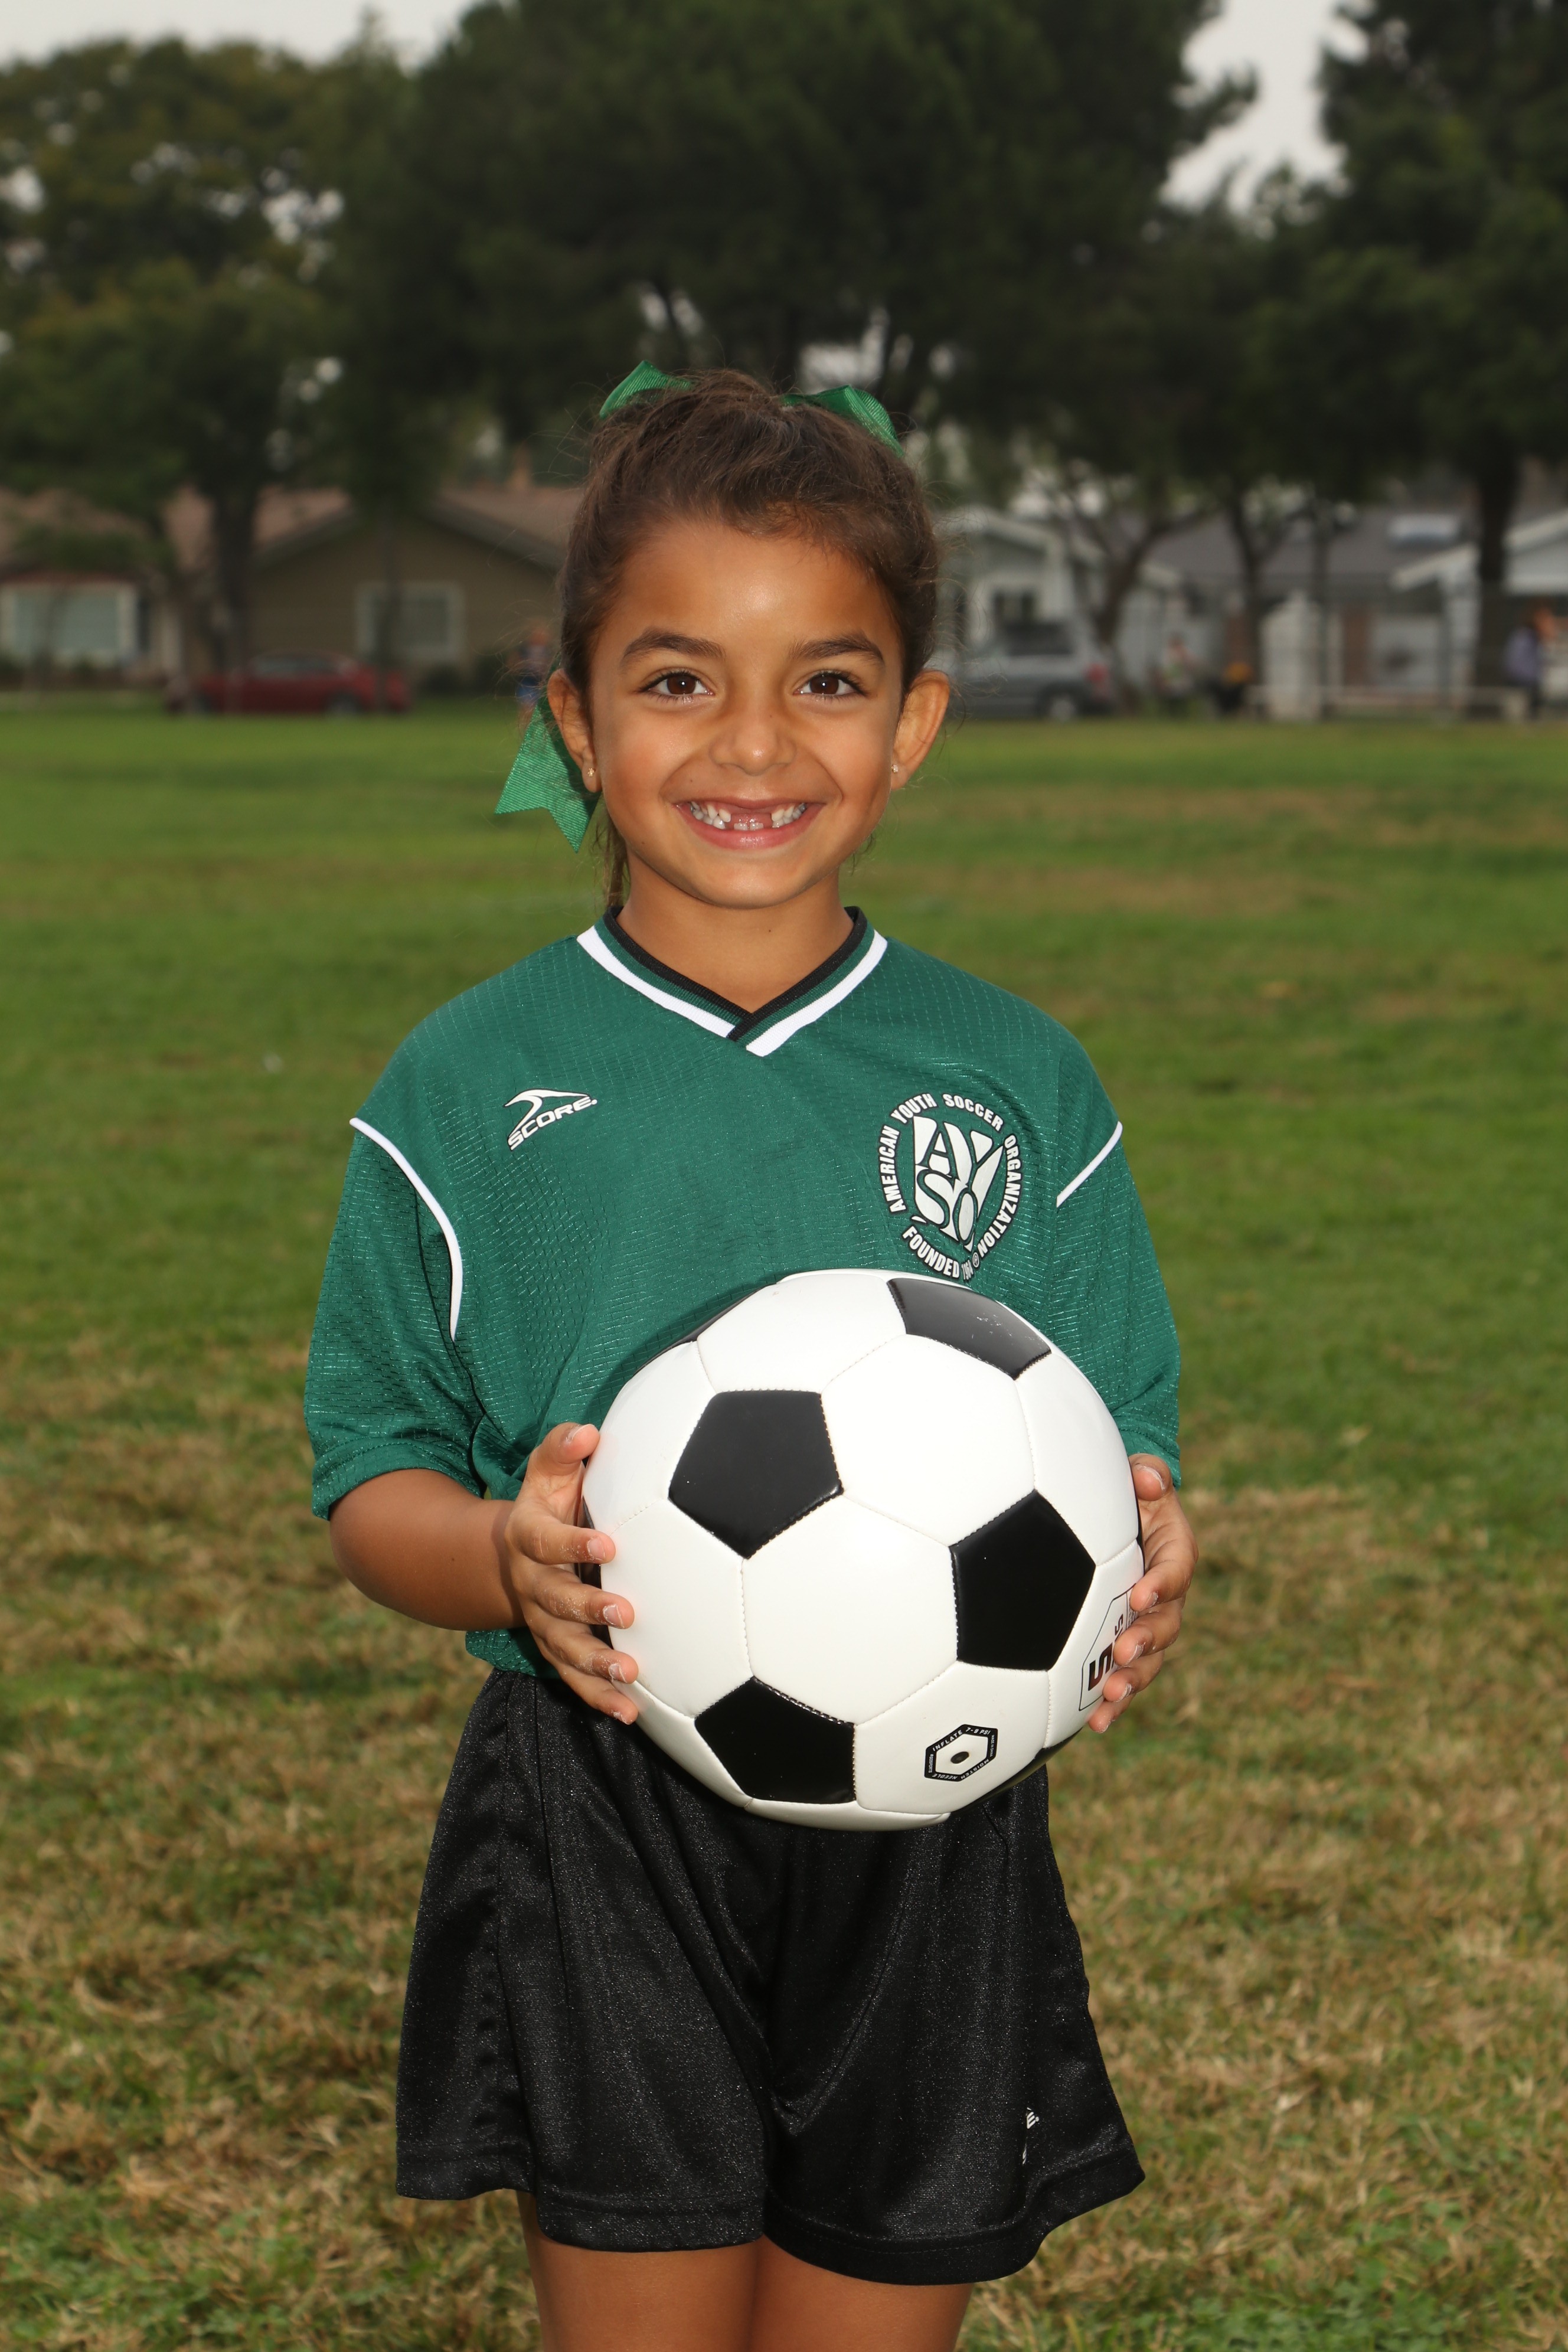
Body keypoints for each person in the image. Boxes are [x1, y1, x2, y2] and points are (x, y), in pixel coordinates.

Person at [305, 367, 1197, 2352]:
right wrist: (499, 1560)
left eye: (830, 681)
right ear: (575, 717)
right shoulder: (462, 1087)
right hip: (599, 1798)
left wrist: (1151, 1555)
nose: (757, 744)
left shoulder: (1016, 1077)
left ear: (915, 725)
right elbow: (372, 1473)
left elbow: (1115, 1439)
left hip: (942, 1820)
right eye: (680, 680)